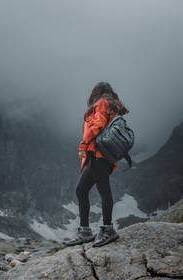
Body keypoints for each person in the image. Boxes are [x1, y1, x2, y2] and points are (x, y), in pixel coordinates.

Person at [65, 81, 129, 247]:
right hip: (104, 156)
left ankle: (107, 230)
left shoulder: (101, 103)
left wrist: (83, 145)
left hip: (98, 155)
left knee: (102, 190)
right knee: (82, 189)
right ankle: (85, 231)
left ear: (96, 92)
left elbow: (97, 125)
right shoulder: (113, 107)